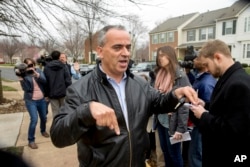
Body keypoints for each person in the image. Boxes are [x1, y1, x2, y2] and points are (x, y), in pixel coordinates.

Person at [50, 25, 198, 166]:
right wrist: (85, 112)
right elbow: (58, 136)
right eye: (117, 47)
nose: (126, 53)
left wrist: (175, 94)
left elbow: (159, 102)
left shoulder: (140, 84)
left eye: (128, 47)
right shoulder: (80, 89)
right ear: (100, 52)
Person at [190, 39, 250, 167]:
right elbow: (226, 110)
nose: (206, 69)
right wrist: (205, 105)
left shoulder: (238, 84)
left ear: (217, 57)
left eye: (207, 64)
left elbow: (234, 132)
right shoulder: (229, 78)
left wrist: (203, 116)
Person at [153, 45, 191, 167]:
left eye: (163, 55)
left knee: (174, 155)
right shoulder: (159, 74)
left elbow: (185, 104)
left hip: (173, 122)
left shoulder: (180, 75)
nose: (160, 58)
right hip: (160, 120)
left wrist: (181, 129)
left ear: (171, 56)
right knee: (165, 153)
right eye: (159, 56)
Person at [188, 54, 217, 167]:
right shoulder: (200, 78)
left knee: (197, 157)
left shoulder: (206, 83)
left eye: (198, 58)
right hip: (198, 126)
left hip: (202, 128)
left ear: (205, 64)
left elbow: (212, 111)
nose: (194, 60)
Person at [18, 58, 49, 149]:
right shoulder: (23, 74)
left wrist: (36, 74)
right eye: (28, 65)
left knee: (44, 117)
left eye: (32, 65)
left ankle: (43, 130)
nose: (31, 67)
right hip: (31, 101)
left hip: (42, 99)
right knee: (34, 119)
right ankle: (31, 140)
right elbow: (26, 89)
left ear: (34, 65)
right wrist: (21, 80)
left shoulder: (38, 70)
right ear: (25, 66)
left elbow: (45, 81)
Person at [44, 50, 72, 117]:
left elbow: (45, 82)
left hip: (52, 93)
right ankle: (64, 126)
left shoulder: (47, 67)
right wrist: (69, 91)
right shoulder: (64, 66)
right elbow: (68, 80)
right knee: (65, 111)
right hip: (63, 92)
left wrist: (46, 94)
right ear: (59, 57)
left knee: (55, 112)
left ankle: (56, 126)